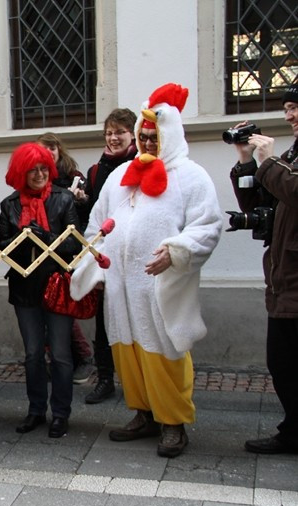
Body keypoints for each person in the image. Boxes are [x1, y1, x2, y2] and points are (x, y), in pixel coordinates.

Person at [71, 83, 223, 458]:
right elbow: (96, 226)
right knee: (128, 352)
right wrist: (100, 266)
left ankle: (173, 423)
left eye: (155, 136)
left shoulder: (191, 176)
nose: (148, 142)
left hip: (158, 286)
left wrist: (176, 253)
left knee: (164, 353)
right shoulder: (120, 176)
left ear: (170, 135)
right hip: (122, 288)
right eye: (143, 135)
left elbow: (208, 226)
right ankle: (143, 414)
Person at [230, 82, 298, 455]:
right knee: (282, 362)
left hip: (294, 274)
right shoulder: (291, 155)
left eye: (294, 108)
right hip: (283, 275)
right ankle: (293, 431)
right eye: (287, 108)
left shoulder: (283, 159)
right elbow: (261, 200)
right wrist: (246, 161)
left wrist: (270, 162)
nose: (289, 116)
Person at [0, 142, 80, 438]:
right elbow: (0, 246)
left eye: (44, 168)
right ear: (22, 172)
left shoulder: (64, 199)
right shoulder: (10, 205)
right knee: (33, 353)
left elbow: (75, 243)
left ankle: (60, 413)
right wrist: (21, 239)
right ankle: (35, 410)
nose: (40, 174)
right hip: (25, 288)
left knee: (60, 353)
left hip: (57, 284)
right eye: (33, 170)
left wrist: (46, 235)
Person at [78, 108, 139, 404]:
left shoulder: (142, 164)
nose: (114, 138)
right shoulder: (96, 170)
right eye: (109, 133)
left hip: (136, 255)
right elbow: (92, 216)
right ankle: (105, 378)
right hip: (108, 255)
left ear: (133, 135)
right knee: (104, 321)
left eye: (120, 133)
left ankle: (139, 379)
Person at [36, 132, 94, 386]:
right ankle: (56, 359)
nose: (48, 152)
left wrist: (81, 201)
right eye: (42, 148)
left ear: (59, 149)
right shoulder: (34, 175)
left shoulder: (73, 177)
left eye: (51, 147)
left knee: (61, 306)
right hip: (39, 252)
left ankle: (82, 356)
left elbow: (84, 216)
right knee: (43, 307)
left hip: (66, 250)